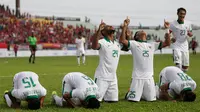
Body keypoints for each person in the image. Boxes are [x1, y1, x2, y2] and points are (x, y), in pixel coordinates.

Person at [120, 18, 171, 102]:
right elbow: (122, 40)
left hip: (149, 78)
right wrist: (125, 27)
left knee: (151, 99)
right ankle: (129, 93)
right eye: (140, 31)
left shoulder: (152, 45)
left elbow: (167, 43)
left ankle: (141, 93)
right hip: (137, 77)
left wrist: (167, 29)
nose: (142, 30)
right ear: (136, 36)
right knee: (133, 100)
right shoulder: (134, 44)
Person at [91, 22, 121, 102]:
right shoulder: (102, 42)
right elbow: (94, 46)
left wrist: (125, 28)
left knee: (113, 101)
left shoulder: (117, 44)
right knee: (93, 101)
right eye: (107, 27)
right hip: (102, 77)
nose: (110, 25)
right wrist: (98, 30)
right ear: (103, 32)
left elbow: (126, 44)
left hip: (113, 77)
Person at [164, 7, 193, 72]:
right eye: (181, 13)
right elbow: (167, 34)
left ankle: (182, 78)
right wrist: (171, 38)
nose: (182, 15)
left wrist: (190, 34)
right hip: (176, 45)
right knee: (178, 65)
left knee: (185, 68)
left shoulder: (188, 24)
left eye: (184, 14)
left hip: (185, 46)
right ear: (177, 14)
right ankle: (178, 79)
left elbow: (190, 33)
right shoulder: (172, 24)